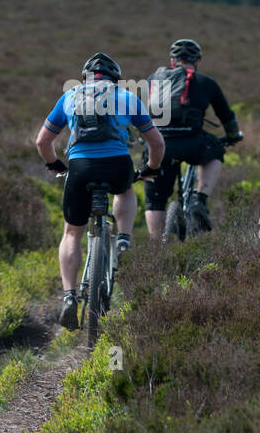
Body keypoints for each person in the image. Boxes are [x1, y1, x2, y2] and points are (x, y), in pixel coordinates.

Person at [36, 52, 165, 330]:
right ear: (115, 78)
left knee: (72, 233)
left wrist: (54, 165)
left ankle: (70, 296)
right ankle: (123, 238)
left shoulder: (69, 96)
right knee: (125, 190)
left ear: (85, 77)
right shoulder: (128, 96)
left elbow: (42, 141)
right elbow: (156, 143)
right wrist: (151, 169)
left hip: (80, 168)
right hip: (117, 166)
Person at [143, 38, 243, 238]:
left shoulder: (153, 80)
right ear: (197, 61)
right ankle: (200, 198)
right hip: (192, 142)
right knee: (215, 150)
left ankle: (158, 251)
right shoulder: (206, 82)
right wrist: (232, 136)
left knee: (155, 201)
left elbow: (141, 114)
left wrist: (145, 140)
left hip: (160, 145)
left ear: (173, 61)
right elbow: (226, 115)